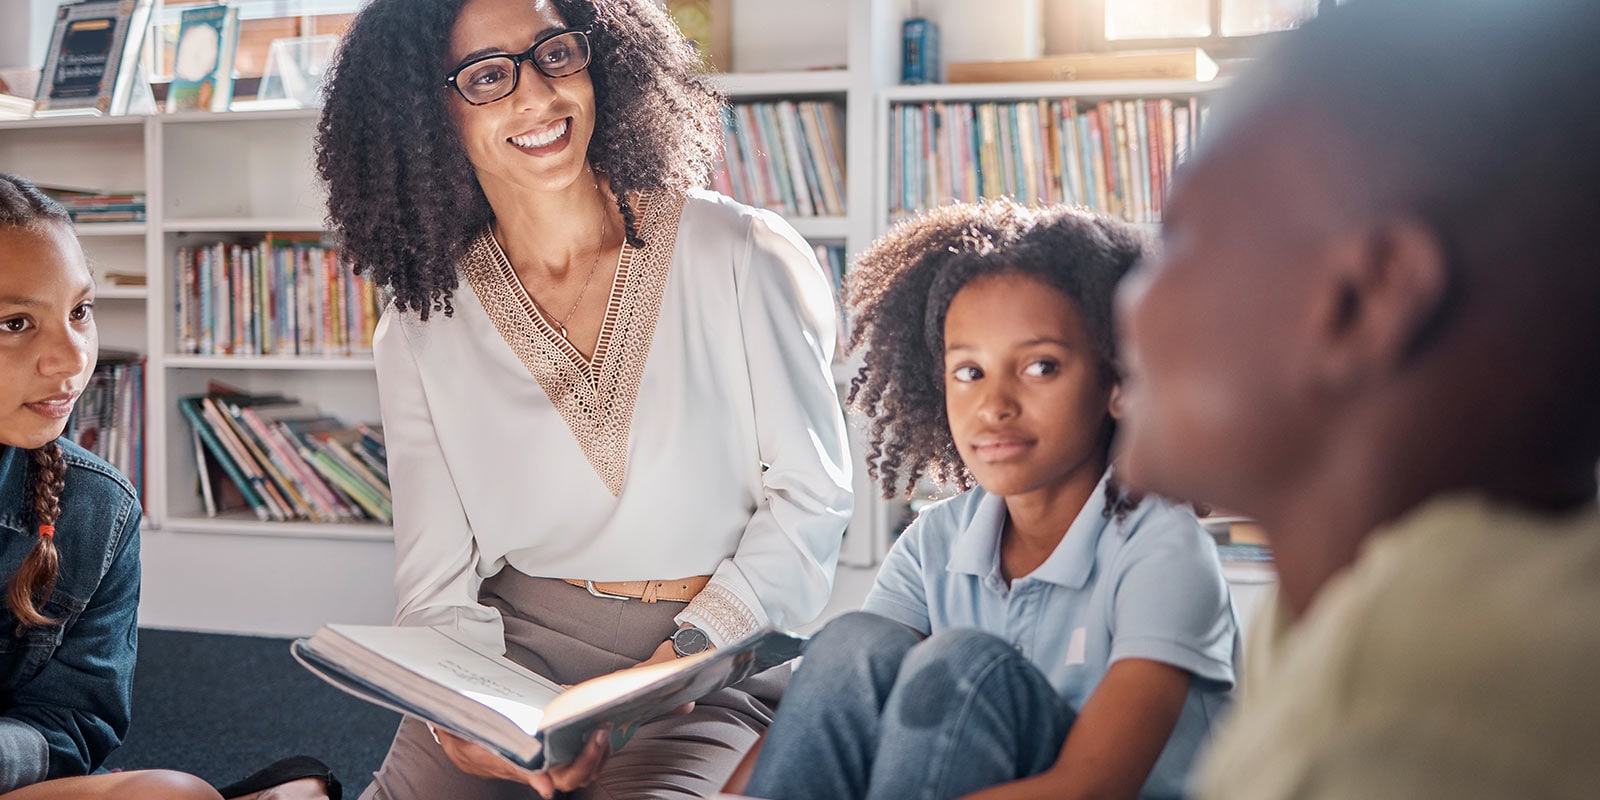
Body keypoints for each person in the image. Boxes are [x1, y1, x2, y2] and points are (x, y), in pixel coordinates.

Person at [314, 0, 853, 797]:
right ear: (426, 114)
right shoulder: (421, 322)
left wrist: (655, 679)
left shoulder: (743, 254)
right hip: (505, 657)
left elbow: (809, 502)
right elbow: (434, 578)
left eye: (555, 54)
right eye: (489, 76)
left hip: (696, 659)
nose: (537, 97)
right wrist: (457, 719)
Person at [1112, 1, 1600, 797]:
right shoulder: (1336, 602)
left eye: (1180, 238)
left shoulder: (1397, 726)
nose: (1130, 304)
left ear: (1362, 300)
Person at [738, 200, 1238, 800]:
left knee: (963, 667)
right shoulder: (935, 543)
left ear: (1119, 383)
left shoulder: (1164, 549)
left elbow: (1093, 785)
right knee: (849, 644)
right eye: (969, 372)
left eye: (1041, 366)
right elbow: (833, 699)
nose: (995, 403)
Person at [0, 174, 213, 799]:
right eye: (14, 322)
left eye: (79, 312)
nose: (70, 360)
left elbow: (72, 722)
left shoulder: (96, 509)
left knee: (178, 794)